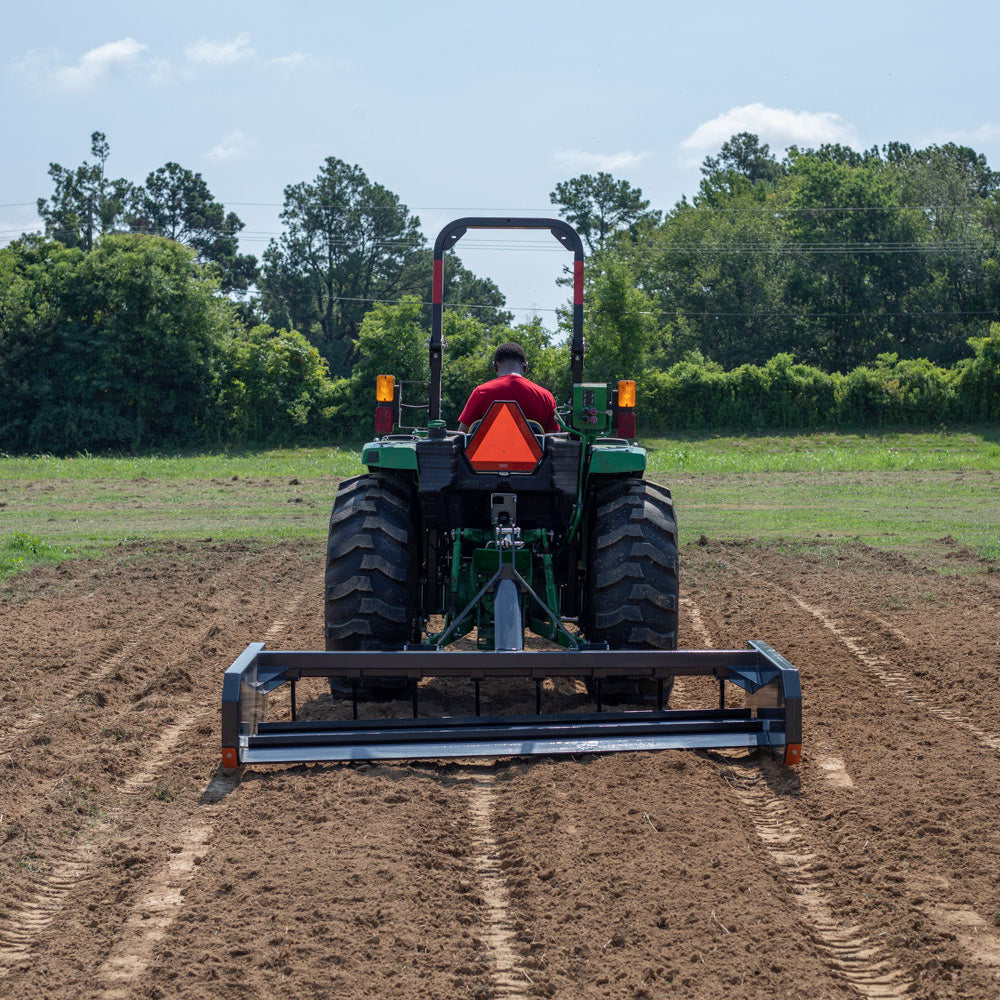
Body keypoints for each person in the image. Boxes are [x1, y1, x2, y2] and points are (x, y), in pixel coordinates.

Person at [458, 342, 559, 433]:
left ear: (495, 367)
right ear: (525, 367)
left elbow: (461, 435)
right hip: (532, 454)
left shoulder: (481, 392)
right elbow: (554, 441)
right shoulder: (546, 397)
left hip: (488, 454)